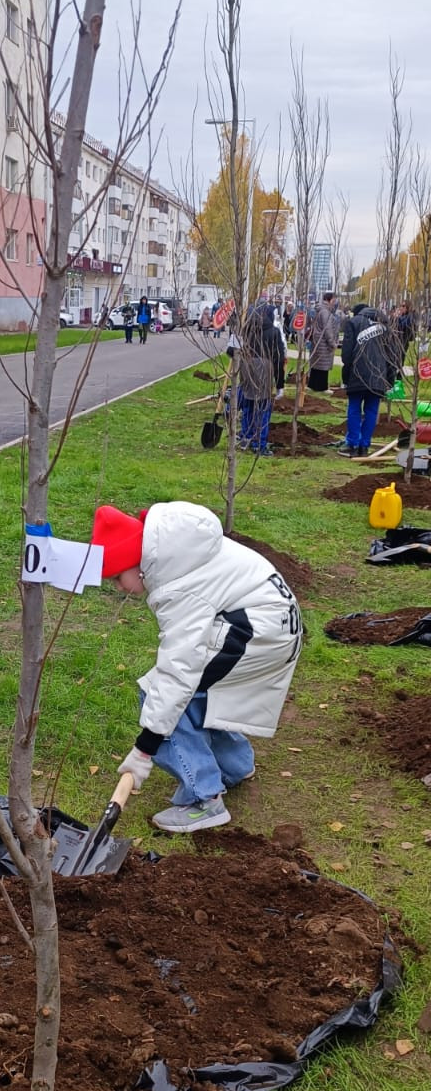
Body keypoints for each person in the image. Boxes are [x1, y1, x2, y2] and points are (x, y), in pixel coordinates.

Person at [90, 501, 302, 834]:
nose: (118, 586)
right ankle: (235, 765)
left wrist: (145, 749)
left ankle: (205, 800)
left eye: (117, 577)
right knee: (194, 693)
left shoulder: (179, 583)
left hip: (256, 633)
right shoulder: (177, 550)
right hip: (273, 625)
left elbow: (178, 672)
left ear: (136, 563)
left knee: (162, 696)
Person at [336, 304, 398, 456]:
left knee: (354, 409)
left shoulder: (353, 322)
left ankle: (352, 444)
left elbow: (346, 354)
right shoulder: (386, 327)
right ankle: (364, 446)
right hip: (378, 376)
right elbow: (392, 356)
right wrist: (389, 381)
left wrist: (346, 377)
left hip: (357, 373)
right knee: (371, 411)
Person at [238, 301, 284, 455]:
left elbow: (231, 351)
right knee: (263, 407)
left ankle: (246, 436)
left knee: (248, 404)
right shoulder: (273, 332)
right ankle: (259, 444)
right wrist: (280, 384)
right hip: (265, 368)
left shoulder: (245, 330)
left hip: (246, 366)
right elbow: (278, 358)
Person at [308, 291, 337, 392]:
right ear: (330, 300)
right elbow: (327, 329)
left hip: (318, 341)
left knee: (317, 364)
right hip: (323, 343)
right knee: (323, 365)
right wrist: (332, 342)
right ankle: (321, 387)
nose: (335, 302)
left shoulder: (321, 310)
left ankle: (313, 385)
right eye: (334, 299)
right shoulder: (325, 312)